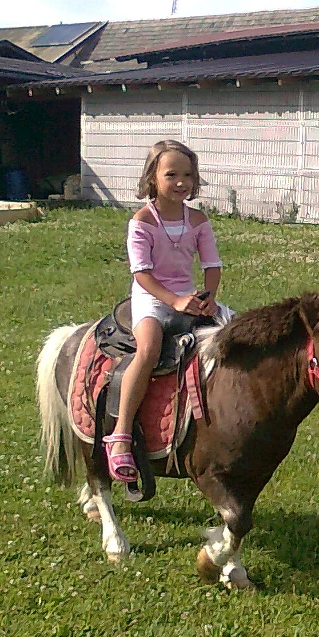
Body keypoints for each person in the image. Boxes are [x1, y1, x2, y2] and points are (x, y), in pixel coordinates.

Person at [104, 139, 225, 485]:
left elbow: (212, 265)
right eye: (171, 174)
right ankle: (122, 435)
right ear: (153, 177)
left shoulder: (198, 220)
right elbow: (141, 274)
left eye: (188, 174)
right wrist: (173, 302)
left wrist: (210, 297)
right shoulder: (142, 221)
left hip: (189, 296)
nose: (181, 182)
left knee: (236, 332)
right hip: (152, 299)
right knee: (148, 349)